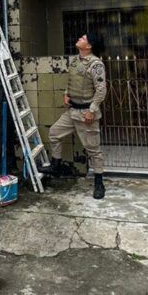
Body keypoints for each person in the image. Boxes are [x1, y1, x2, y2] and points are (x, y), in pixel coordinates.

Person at [47, 32, 107, 199]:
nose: (80, 37)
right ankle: (56, 166)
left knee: (93, 150)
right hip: (72, 111)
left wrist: (92, 110)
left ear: (89, 46)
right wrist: (67, 93)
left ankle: (99, 182)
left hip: (86, 114)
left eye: (84, 38)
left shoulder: (96, 64)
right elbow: (72, 81)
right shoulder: (75, 60)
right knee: (54, 133)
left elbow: (101, 90)